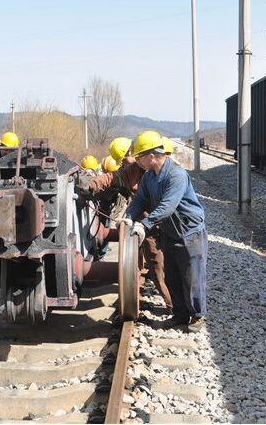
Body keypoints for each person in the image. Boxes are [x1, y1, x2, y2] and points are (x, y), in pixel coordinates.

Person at [75, 138, 173, 312]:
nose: (132, 159)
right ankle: (173, 305)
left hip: (168, 222)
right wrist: (91, 184)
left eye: (134, 156)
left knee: (174, 262)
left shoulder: (168, 172)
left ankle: (184, 305)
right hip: (146, 224)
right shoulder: (133, 171)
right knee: (157, 263)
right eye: (131, 156)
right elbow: (111, 178)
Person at [124, 130, 207, 332]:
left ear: (151, 156)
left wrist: (145, 224)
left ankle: (197, 316)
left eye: (139, 157)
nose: (137, 161)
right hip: (170, 231)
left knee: (192, 277)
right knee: (172, 277)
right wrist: (128, 216)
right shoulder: (148, 177)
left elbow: (167, 206)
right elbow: (140, 200)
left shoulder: (176, 174)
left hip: (189, 232)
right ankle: (180, 314)